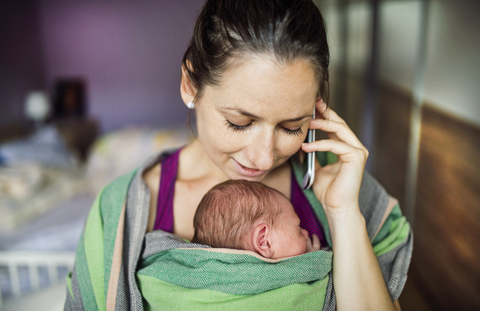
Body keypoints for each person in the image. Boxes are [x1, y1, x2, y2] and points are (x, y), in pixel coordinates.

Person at [65, 0, 412, 310]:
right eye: (239, 122)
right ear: (190, 85)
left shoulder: (343, 191)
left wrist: (344, 214)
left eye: (292, 127)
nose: (262, 158)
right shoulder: (121, 212)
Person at [191, 180, 322, 259]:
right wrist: (313, 261)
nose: (306, 234)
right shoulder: (293, 275)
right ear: (264, 241)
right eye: (298, 228)